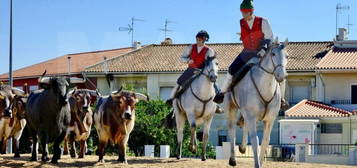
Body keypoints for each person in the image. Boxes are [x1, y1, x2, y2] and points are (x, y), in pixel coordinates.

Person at [214, 0, 288, 109]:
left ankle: (281, 99)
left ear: (251, 11)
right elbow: (248, 36)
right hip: (247, 52)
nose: (243, 15)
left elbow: (269, 37)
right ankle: (222, 93)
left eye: (245, 12)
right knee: (231, 70)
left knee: (278, 71)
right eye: (242, 12)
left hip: (262, 52)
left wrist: (263, 49)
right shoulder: (242, 22)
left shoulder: (263, 21)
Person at [166, 30, 223, 113]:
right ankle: (172, 99)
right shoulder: (190, 47)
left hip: (203, 70)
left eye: (199, 40)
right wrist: (188, 60)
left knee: (214, 83)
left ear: (204, 40)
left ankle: (217, 104)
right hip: (191, 70)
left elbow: (211, 62)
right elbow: (182, 58)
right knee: (179, 81)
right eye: (197, 39)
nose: (198, 41)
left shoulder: (209, 51)